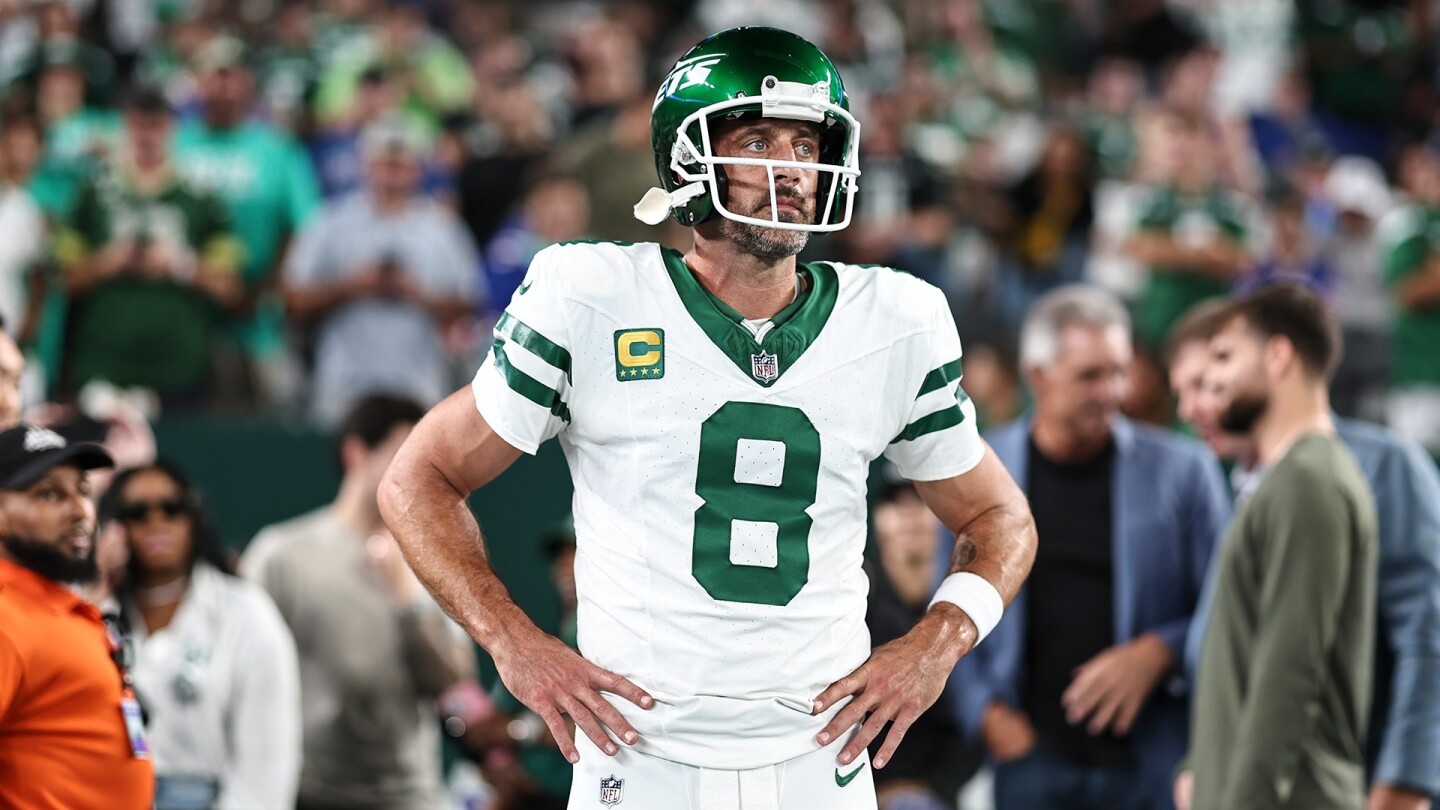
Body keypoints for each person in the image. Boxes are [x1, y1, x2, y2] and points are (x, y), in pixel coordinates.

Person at [379, 27, 1037, 810]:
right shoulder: (589, 296)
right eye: (758, 141)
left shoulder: (897, 319)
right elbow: (417, 479)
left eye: (806, 144)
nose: (792, 168)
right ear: (687, 160)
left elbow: (1002, 517)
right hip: (639, 756)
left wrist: (937, 644)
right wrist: (512, 643)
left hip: (817, 759)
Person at [953, 286, 1229, 810]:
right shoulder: (980, 469)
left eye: (1120, 371)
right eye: (1090, 375)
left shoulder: (1185, 472)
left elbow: (1228, 608)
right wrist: (986, 714)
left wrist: (1160, 652)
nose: (1112, 391)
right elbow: (942, 604)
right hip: (1029, 756)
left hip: (1151, 758)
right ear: (1038, 375)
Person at [1168, 301, 1440, 809]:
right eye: (1183, 391)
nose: (1191, 408)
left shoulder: (1372, 466)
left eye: (1209, 379)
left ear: (1276, 359)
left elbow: (1426, 634)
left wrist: (1407, 780)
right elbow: (1239, 655)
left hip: (1337, 783)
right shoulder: (1242, 485)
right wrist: (1200, 765)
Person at [242, 394, 479, 810]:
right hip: (308, 795)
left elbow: (453, 682)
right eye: (405, 451)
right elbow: (244, 679)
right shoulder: (280, 555)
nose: (422, 468)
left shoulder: (436, 559)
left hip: (411, 796)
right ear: (357, 454)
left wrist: (406, 598)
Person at [104, 461, 301, 810]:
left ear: (194, 517)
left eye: (172, 507)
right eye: (137, 512)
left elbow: (267, 768)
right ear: (114, 527)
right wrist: (97, 582)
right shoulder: (96, 613)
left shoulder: (246, 613)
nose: (156, 521)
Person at [283, 114, 479, 426]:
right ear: (365, 166)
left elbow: (471, 303)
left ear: (417, 169)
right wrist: (353, 286)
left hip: (420, 382)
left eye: (400, 165)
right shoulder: (330, 222)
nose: (392, 176)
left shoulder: (443, 228)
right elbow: (293, 300)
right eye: (384, 164)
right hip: (345, 385)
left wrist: (417, 294)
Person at [55, 85, 242, 408]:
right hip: (104, 369)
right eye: (138, 125)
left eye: (155, 125)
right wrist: (107, 262)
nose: (146, 136)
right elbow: (61, 282)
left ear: (172, 129)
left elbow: (230, 288)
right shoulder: (92, 193)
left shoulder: (201, 197)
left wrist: (179, 265)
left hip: (179, 370)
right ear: (124, 127)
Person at [0, 422, 153, 809]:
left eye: (84, 491)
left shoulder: (51, 602)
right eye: (49, 494)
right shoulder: (6, 618)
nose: (79, 510)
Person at [866, 475, 983, 810]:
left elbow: (978, 715)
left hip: (939, 791)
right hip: (858, 787)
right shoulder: (856, 604)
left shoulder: (969, 605)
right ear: (876, 519)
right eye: (894, 503)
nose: (908, 515)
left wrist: (936, 786)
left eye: (921, 502)